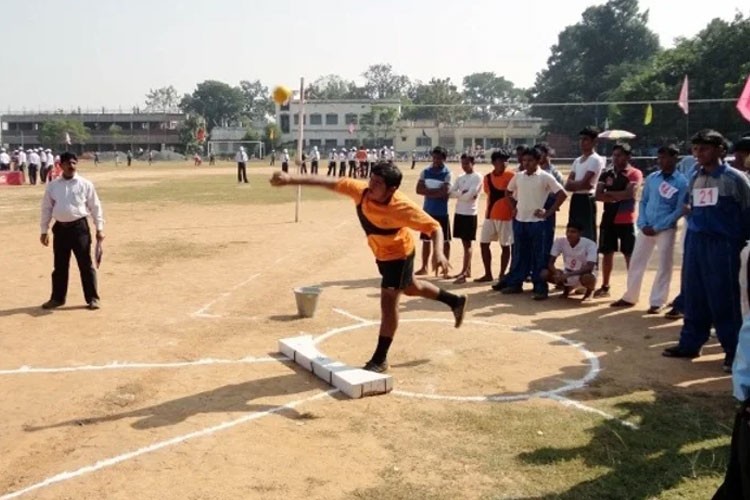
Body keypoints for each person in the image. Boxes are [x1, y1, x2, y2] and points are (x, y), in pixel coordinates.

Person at [269, 163, 468, 373]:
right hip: (381, 252)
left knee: (389, 300)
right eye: (371, 179)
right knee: (410, 287)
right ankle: (455, 301)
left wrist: (438, 253)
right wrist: (290, 179)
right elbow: (327, 181)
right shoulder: (361, 191)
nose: (371, 185)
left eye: (378, 183)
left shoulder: (402, 207)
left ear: (392, 189)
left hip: (399, 254)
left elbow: (434, 227)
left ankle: (380, 359)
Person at [662, 130, 750, 372]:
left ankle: (734, 352)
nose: (700, 154)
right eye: (696, 149)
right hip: (696, 242)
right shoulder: (694, 177)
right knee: (694, 294)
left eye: (705, 148)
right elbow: (691, 204)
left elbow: (747, 213)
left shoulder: (736, 180)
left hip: (724, 246)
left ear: (721, 150)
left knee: (724, 299)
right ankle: (691, 342)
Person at [611, 144, 688, 312]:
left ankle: (657, 301)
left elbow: (680, 209)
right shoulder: (653, 178)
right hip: (646, 226)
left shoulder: (682, 182)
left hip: (665, 229)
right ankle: (630, 296)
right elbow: (644, 201)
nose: (661, 161)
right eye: (660, 158)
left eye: (666, 157)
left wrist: (659, 226)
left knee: (664, 265)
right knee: (637, 261)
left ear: (675, 159)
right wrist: (642, 223)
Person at [497, 146, 567, 300]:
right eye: (524, 160)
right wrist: (513, 208)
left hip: (537, 222)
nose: (526, 163)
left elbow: (562, 194)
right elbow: (507, 192)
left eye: (530, 160)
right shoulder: (518, 176)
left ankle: (540, 286)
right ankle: (516, 283)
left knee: (539, 255)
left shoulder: (545, 177)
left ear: (538, 161)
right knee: (520, 253)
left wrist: (548, 212)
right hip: (520, 220)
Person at [39, 152, 104, 310]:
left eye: (74, 163)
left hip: (79, 228)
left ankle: (92, 298)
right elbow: (46, 208)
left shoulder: (85, 184)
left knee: (85, 264)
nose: (71, 166)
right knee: (60, 266)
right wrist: (44, 230)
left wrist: (99, 228)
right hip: (60, 229)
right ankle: (57, 298)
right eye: (68, 163)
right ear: (60, 165)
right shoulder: (53, 185)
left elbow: (95, 207)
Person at [593, 142, 643, 298]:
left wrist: (610, 195)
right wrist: (617, 195)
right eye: (614, 155)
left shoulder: (634, 173)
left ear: (628, 157)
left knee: (629, 254)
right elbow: (598, 195)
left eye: (619, 155)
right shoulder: (606, 173)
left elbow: (630, 194)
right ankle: (605, 286)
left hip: (626, 218)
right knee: (607, 253)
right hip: (608, 218)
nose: (615, 158)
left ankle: (631, 289)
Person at [475, 149, 514, 285]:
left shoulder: (512, 176)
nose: (504, 163)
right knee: (484, 243)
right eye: (500, 160)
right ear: (493, 162)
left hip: (506, 217)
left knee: (505, 246)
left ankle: (502, 274)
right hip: (490, 215)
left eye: (505, 160)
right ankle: (488, 273)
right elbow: (488, 193)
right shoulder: (487, 178)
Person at [415, 146, 452, 275]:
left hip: (442, 212)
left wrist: (428, 191)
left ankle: (444, 267)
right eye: (434, 157)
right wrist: (437, 192)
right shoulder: (425, 172)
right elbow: (418, 190)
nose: (436, 160)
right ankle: (424, 267)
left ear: (444, 159)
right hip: (427, 212)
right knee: (426, 241)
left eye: (439, 158)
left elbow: (445, 192)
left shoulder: (447, 173)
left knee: (445, 241)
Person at [565, 126, 605, 242]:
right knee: (574, 230)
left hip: (587, 199)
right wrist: (578, 184)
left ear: (594, 142)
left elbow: (586, 184)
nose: (582, 142)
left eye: (586, 139)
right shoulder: (577, 161)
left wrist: (576, 184)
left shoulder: (595, 160)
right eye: (581, 139)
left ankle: (591, 259)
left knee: (587, 233)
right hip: (576, 198)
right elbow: (567, 185)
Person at [540, 222, 598, 302]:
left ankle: (589, 293)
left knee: (588, 278)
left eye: (573, 232)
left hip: (582, 274)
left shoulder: (590, 244)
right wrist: (557, 273)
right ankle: (566, 289)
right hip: (568, 272)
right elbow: (551, 263)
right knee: (544, 273)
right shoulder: (560, 241)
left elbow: (590, 267)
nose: (569, 234)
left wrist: (568, 275)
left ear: (580, 233)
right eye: (568, 231)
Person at [449, 154, 483, 284]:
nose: (464, 166)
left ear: (473, 163)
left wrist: (461, 195)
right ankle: (466, 270)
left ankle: (464, 272)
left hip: (470, 213)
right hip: (459, 212)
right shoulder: (460, 177)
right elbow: (451, 192)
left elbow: (470, 196)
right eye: (462, 163)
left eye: (467, 163)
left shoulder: (477, 177)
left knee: (468, 243)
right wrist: (461, 194)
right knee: (464, 243)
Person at [536, 143, 564, 259]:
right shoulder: (533, 172)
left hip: (547, 210)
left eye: (541, 154)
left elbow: (559, 193)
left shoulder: (555, 173)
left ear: (547, 155)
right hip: (533, 210)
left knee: (546, 239)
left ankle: (543, 268)